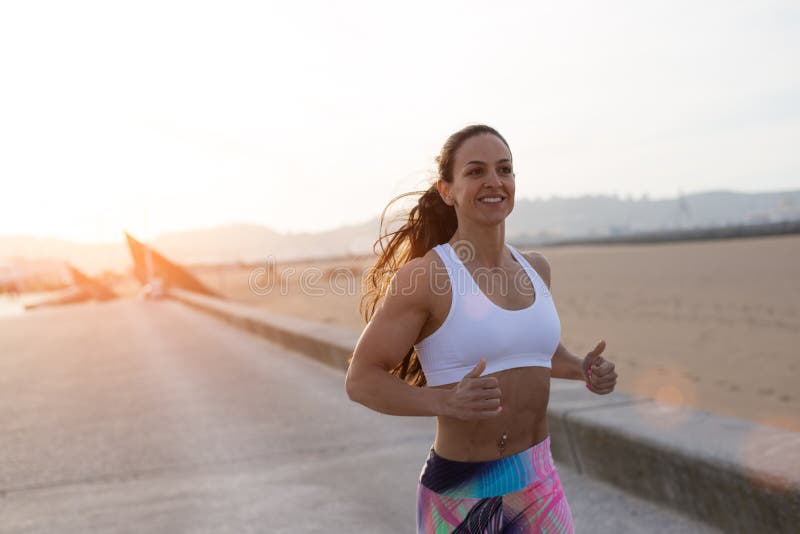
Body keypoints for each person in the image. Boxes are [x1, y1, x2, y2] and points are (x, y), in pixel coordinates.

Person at [345, 124, 618, 533]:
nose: (494, 181)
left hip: (540, 481)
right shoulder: (427, 277)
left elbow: (532, 350)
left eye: (504, 170)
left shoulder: (536, 269)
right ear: (447, 190)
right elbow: (361, 380)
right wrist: (444, 401)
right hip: (463, 493)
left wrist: (583, 368)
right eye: (475, 172)